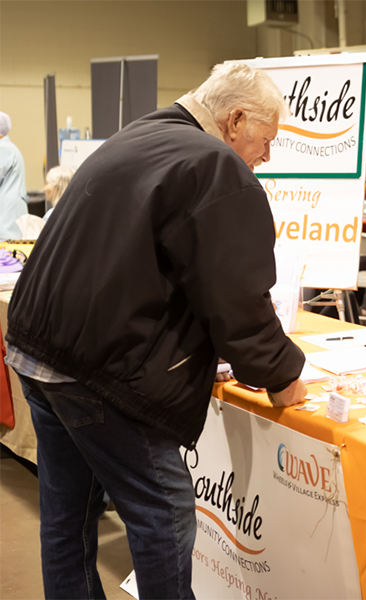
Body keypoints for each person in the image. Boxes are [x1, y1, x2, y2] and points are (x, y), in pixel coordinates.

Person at [4, 62, 307, 600]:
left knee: (67, 517)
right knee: (163, 516)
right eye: (266, 140)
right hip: (99, 368)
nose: (266, 156)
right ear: (235, 119)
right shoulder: (215, 164)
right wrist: (281, 374)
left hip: (38, 347)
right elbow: (236, 296)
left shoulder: (142, 133)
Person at [0, 112, 28, 240]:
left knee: (7, 256)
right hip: (11, 211)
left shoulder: (4, 148)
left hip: (7, 215)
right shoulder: (10, 148)